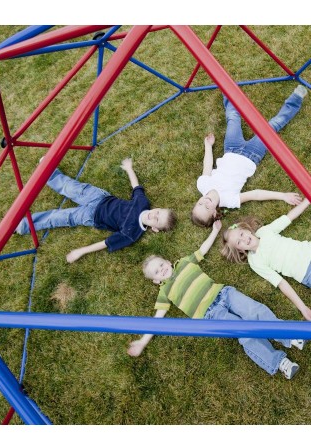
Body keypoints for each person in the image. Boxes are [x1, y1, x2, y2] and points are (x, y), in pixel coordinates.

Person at [127, 221, 304, 379]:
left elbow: (202, 250)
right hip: (210, 314)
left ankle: (288, 335)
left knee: (255, 310)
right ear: (156, 281)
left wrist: (214, 231)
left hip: (224, 293)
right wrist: (143, 342)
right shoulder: (164, 292)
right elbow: (157, 319)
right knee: (245, 334)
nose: (161, 270)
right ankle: (279, 362)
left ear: (167, 261)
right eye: (157, 273)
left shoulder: (184, 262)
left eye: (161, 265)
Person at [15, 158, 177, 263]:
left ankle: (26, 225)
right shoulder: (143, 204)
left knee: (61, 217)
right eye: (158, 211)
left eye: (156, 219)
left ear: (154, 229)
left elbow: (106, 243)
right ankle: (49, 172)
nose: (154, 215)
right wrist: (129, 169)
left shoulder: (132, 233)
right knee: (70, 187)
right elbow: (136, 187)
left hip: (91, 216)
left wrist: (81, 251)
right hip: (98, 197)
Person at [191, 85, 308, 227]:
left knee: (233, 117)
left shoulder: (202, 185)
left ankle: (225, 87)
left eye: (200, 203)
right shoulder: (229, 201)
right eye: (207, 207)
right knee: (273, 125)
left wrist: (208, 146)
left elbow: (207, 165)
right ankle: (296, 98)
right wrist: (282, 196)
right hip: (253, 154)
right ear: (215, 213)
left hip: (231, 148)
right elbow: (255, 194)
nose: (205, 201)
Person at [221, 197, 311, 321]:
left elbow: (289, 217)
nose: (244, 239)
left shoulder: (264, 231)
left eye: (241, 234)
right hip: (306, 273)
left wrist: (307, 200)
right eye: (239, 242)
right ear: (240, 250)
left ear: (246, 230)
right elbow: (281, 283)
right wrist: (303, 308)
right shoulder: (255, 262)